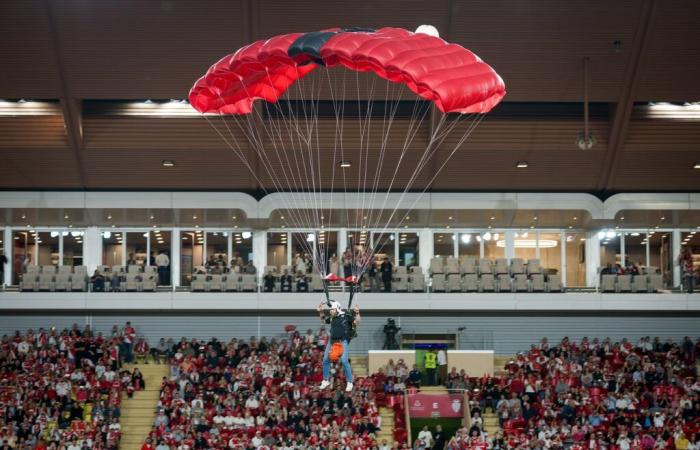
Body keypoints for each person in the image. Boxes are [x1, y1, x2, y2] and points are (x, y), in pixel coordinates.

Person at [318, 300, 360, 392]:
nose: (331, 311)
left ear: (337, 308)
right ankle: (325, 380)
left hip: (342, 341)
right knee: (325, 359)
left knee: (344, 361)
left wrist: (357, 312)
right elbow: (324, 320)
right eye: (331, 310)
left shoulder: (346, 316)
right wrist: (321, 311)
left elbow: (357, 321)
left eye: (332, 310)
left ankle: (350, 382)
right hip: (332, 341)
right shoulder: (332, 317)